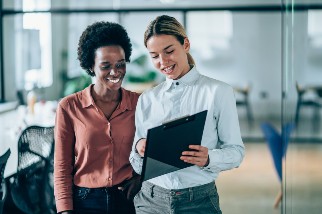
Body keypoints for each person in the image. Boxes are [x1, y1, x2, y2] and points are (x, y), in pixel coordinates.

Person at [129, 15, 245, 214]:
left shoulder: (218, 92)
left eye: (169, 51)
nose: (163, 61)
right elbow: (137, 164)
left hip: (198, 201)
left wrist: (209, 158)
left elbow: (236, 152)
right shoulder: (147, 99)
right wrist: (140, 149)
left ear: (186, 44)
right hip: (151, 200)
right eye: (154, 56)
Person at [54, 21, 140, 214]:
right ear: (91, 66)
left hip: (126, 199)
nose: (115, 72)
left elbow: (154, 149)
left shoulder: (139, 104)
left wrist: (142, 178)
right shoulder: (69, 107)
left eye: (120, 64)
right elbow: (62, 166)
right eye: (105, 66)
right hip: (85, 202)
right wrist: (64, 210)